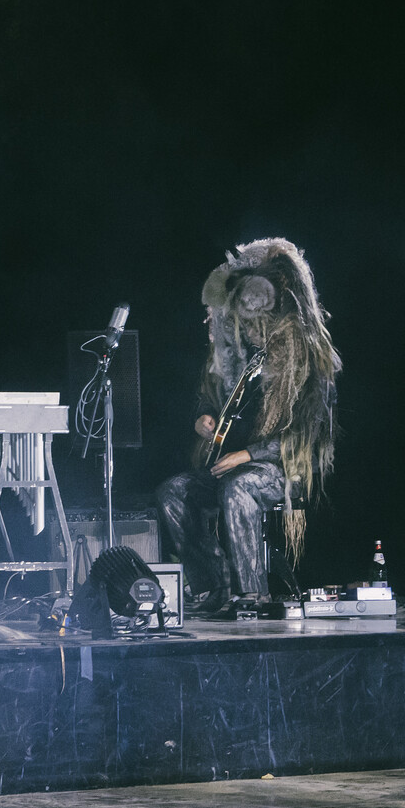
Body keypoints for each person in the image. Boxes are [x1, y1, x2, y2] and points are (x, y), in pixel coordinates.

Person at [156, 238, 340, 614]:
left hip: (285, 468)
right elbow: (212, 394)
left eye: (256, 322)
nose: (249, 329)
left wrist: (247, 454)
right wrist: (204, 417)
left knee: (238, 488)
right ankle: (213, 585)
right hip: (234, 466)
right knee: (173, 492)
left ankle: (252, 595)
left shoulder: (309, 359)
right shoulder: (246, 357)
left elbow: (305, 435)